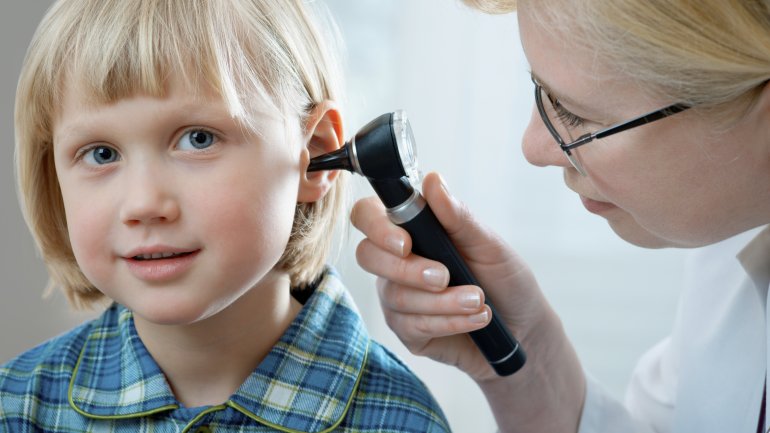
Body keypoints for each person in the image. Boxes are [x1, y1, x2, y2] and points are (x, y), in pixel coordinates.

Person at [0, 1, 450, 432]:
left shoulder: (402, 421)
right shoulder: (16, 409)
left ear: (313, 156)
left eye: (198, 139)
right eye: (101, 153)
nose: (143, 204)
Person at [349, 0, 770, 432]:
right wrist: (529, 355)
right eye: (541, 90)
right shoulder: (728, 258)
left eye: (576, 114)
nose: (533, 148)